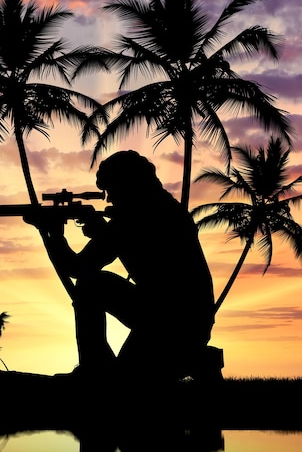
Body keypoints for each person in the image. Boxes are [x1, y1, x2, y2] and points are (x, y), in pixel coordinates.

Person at [26, 150, 216, 381]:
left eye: (111, 189)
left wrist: (53, 234)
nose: (108, 198)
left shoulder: (131, 219)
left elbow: (76, 269)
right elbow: (141, 250)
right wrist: (101, 231)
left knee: (90, 285)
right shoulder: (165, 208)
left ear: (128, 185)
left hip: (168, 324)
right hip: (185, 320)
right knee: (124, 376)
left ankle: (94, 368)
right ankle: (100, 368)